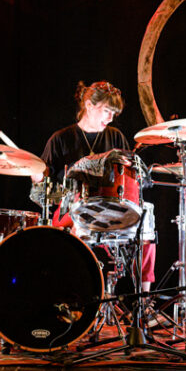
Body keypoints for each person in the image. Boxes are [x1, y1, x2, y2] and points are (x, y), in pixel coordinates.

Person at [31, 81, 156, 292]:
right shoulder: (60, 140)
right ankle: (73, 293)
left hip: (113, 208)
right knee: (77, 225)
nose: (110, 118)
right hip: (71, 209)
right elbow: (42, 195)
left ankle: (144, 299)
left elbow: (129, 180)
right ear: (89, 105)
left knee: (146, 220)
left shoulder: (115, 137)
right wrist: (36, 178)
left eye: (114, 113)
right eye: (107, 111)